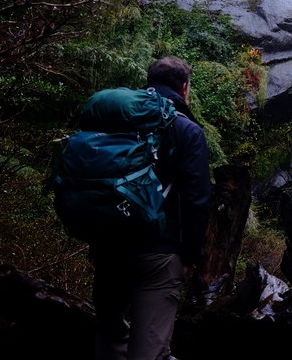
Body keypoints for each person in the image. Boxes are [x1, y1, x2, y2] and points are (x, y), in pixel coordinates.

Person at [90, 56, 212, 360]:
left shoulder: (117, 121)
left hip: (109, 244)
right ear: (184, 88)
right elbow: (196, 200)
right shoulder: (187, 130)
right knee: (150, 351)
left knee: (109, 335)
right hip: (159, 251)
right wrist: (190, 256)